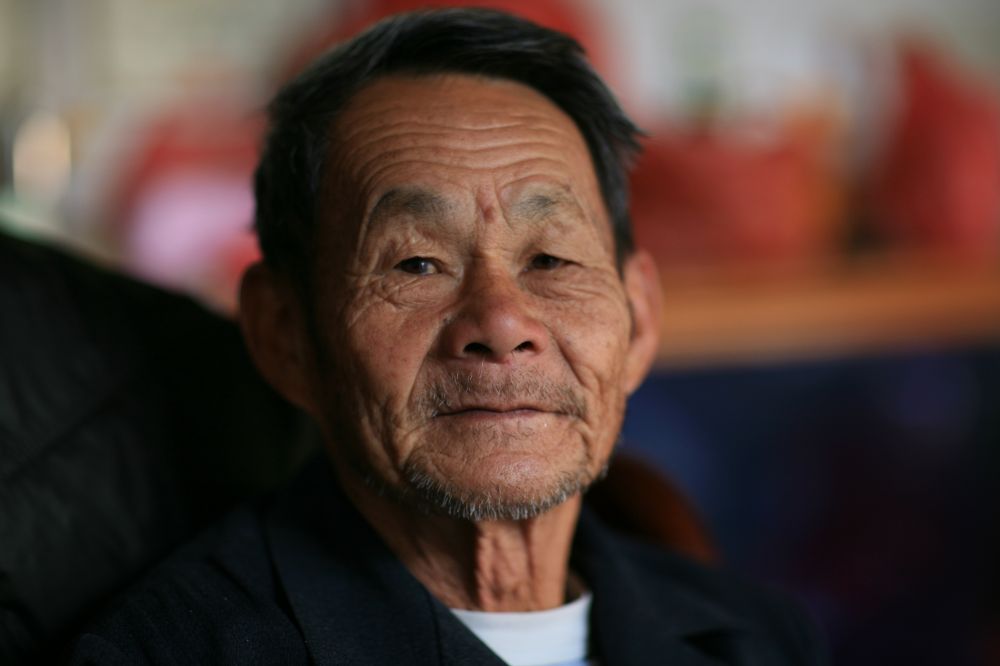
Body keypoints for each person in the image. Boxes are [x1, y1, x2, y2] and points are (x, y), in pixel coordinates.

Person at [70, 8, 828, 665]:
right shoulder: (169, 651)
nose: (501, 324)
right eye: (417, 263)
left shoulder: (760, 639)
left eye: (551, 259)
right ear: (285, 334)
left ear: (638, 319)